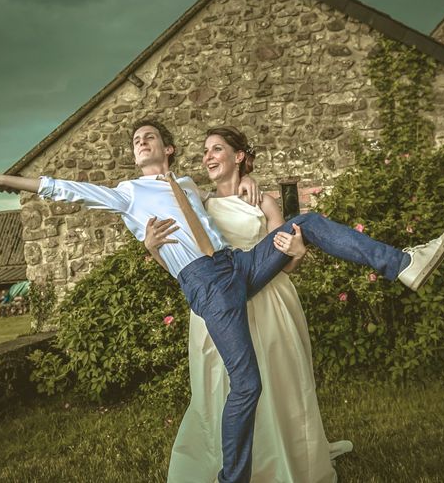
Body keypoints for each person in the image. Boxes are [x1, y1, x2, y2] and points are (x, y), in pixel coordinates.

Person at [0, 119, 444, 483]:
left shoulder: (193, 186)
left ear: (168, 149)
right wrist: (3, 180)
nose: (141, 143)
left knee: (315, 222)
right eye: (135, 140)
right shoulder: (128, 193)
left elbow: (234, 202)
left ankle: (402, 264)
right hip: (207, 283)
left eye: (149, 137)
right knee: (247, 385)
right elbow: (61, 189)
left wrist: (250, 188)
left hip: (237, 266)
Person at [144, 126, 352, 482]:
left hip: (269, 303)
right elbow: (184, 269)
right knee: (220, 386)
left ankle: (285, 460)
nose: (208, 156)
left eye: (217, 149)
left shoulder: (263, 201)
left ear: (238, 156)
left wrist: (298, 253)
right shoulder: (200, 205)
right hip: (218, 308)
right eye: (205, 151)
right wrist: (152, 248)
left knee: (278, 382)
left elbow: (285, 259)